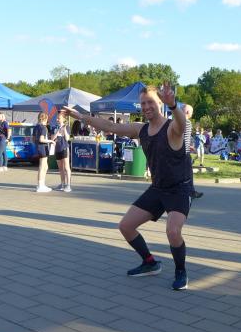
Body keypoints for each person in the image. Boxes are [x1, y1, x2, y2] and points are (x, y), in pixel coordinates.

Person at [63, 83, 192, 290]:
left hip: (179, 188)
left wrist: (174, 105)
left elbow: (182, 125)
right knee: (126, 226)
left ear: (160, 103)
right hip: (158, 188)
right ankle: (150, 263)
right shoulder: (141, 129)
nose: (146, 107)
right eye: (143, 103)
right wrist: (80, 116)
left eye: (150, 102)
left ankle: (181, 271)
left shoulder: (171, 128)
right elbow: (111, 127)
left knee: (173, 231)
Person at [33, 112, 54, 192]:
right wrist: (51, 141)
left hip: (38, 147)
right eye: (47, 119)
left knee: (45, 166)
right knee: (42, 167)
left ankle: (42, 184)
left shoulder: (36, 127)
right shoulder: (43, 128)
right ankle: (40, 185)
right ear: (45, 119)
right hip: (43, 147)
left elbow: (33, 139)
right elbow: (41, 139)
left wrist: (37, 144)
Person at [53, 112, 71, 191]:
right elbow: (52, 138)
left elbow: (67, 139)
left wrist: (64, 130)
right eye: (57, 118)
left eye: (59, 118)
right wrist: (57, 132)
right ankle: (62, 184)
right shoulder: (55, 127)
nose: (57, 120)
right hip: (57, 149)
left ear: (63, 119)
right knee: (60, 168)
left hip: (64, 148)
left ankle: (68, 185)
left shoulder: (67, 127)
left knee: (66, 167)